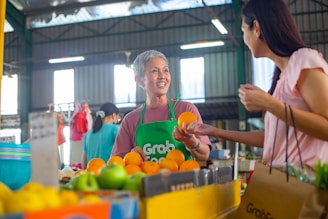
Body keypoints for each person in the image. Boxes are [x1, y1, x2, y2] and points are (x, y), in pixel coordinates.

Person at [184, 0, 328, 169]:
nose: (244, 38)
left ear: (257, 28)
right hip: (285, 183)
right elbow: (272, 139)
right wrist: (216, 132)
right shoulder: (283, 77)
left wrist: (270, 104)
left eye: (244, 30)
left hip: (306, 184)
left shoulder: (304, 60)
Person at [111, 50, 211, 163]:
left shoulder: (186, 110)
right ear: (140, 80)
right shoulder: (130, 120)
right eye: (154, 71)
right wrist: (131, 156)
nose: (162, 76)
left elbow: (204, 155)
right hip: (146, 180)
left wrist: (192, 142)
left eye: (165, 70)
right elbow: (116, 163)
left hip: (184, 180)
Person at [81, 102, 120, 168]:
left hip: (90, 174)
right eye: (118, 117)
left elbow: (84, 160)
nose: (118, 119)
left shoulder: (89, 133)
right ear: (113, 115)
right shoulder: (115, 129)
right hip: (108, 174)